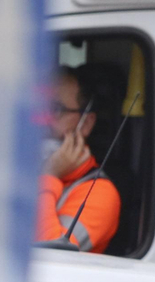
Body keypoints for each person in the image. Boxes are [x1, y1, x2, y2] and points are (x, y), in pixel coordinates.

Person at [35, 66, 121, 254]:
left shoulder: (99, 193)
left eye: (55, 109)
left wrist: (49, 174)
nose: (42, 120)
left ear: (86, 123)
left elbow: (53, 254)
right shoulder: (14, 169)